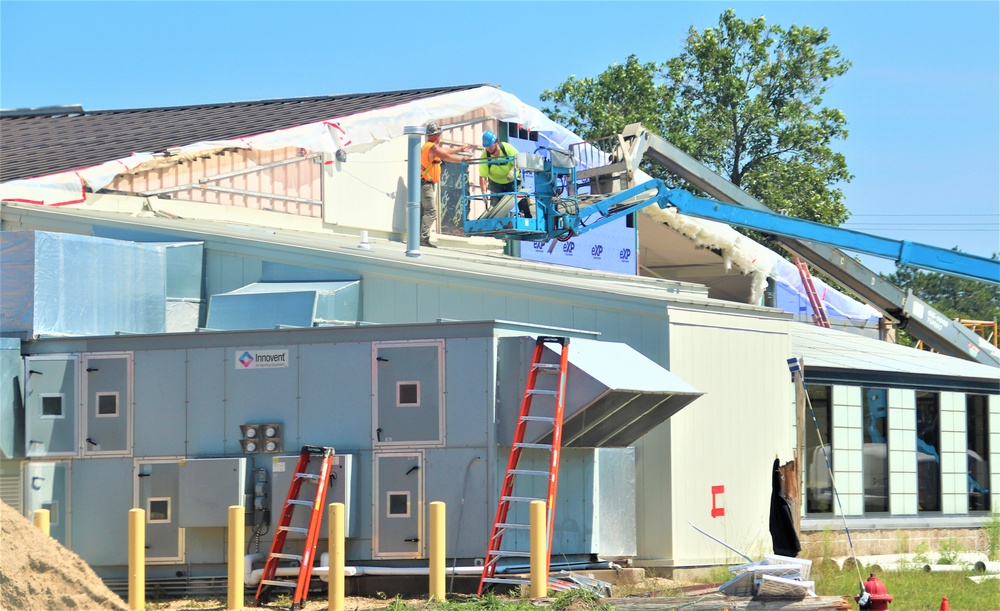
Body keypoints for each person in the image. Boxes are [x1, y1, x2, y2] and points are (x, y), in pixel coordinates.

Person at [419, 122, 470, 247]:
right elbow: (444, 155)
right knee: (431, 211)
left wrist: (459, 149)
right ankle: (422, 238)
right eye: (439, 134)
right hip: (426, 185)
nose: (440, 136)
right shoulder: (431, 147)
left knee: (424, 211)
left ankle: (419, 237)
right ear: (436, 135)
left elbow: (444, 150)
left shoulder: (429, 146)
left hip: (426, 184)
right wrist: (461, 160)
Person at [478, 131, 531, 218]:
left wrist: (513, 170)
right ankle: (495, 225)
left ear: (496, 142)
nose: (489, 149)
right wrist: (483, 193)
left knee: (520, 197)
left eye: (490, 146)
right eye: (486, 147)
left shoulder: (507, 148)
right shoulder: (484, 156)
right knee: (495, 207)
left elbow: (520, 161)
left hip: (512, 180)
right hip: (496, 182)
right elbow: (482, 176)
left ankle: (527, 218)